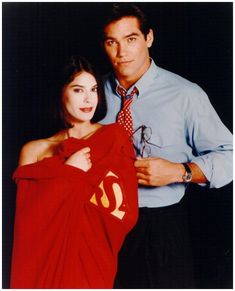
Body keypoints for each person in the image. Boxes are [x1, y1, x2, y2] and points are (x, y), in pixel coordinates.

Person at [100, 3, 233, 289]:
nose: (122, 52)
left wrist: (179, 172)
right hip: (100, 224)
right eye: (113, 42)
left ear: (149, 38)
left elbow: (230, 156)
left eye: (131, 39)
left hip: (158, 229)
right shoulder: (91, 93)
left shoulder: (185, 94)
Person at [10, 55, 138, 289]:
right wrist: (70, 173)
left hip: (92, 259)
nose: (89, 98)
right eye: (78, 90)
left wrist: (71, 179)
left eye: (94, 89)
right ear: (60, 92)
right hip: (43, 262)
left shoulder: (113, 138)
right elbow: (27, 224)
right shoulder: (34, 150)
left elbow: (123, 212)